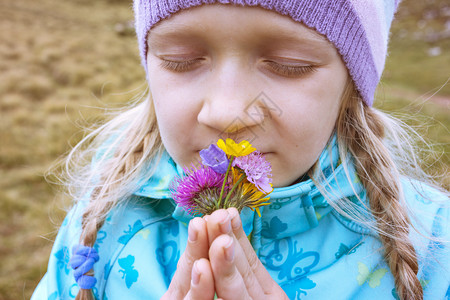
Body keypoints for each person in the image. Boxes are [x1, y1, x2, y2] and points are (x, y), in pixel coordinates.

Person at [32, 1, 449, 299]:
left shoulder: (434, 247)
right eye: (180, 60)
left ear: (351, 88)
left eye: (289, 64)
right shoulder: (101, 221)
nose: (228, 112)